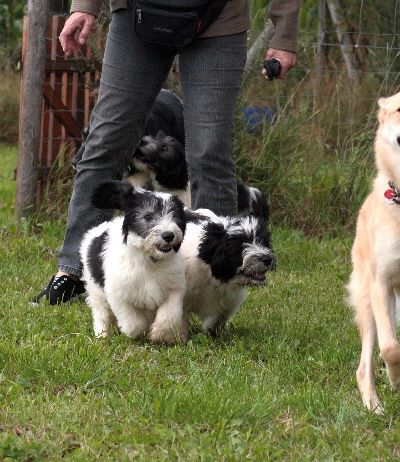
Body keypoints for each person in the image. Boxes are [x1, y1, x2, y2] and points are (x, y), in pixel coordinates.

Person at [31, 0, 299, 305]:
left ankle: (207, 285)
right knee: (104, 143)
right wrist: (84, 6)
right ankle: (74, 274)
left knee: (210, 153)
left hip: (219, 18)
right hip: (137, 14)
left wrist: (285, 35)